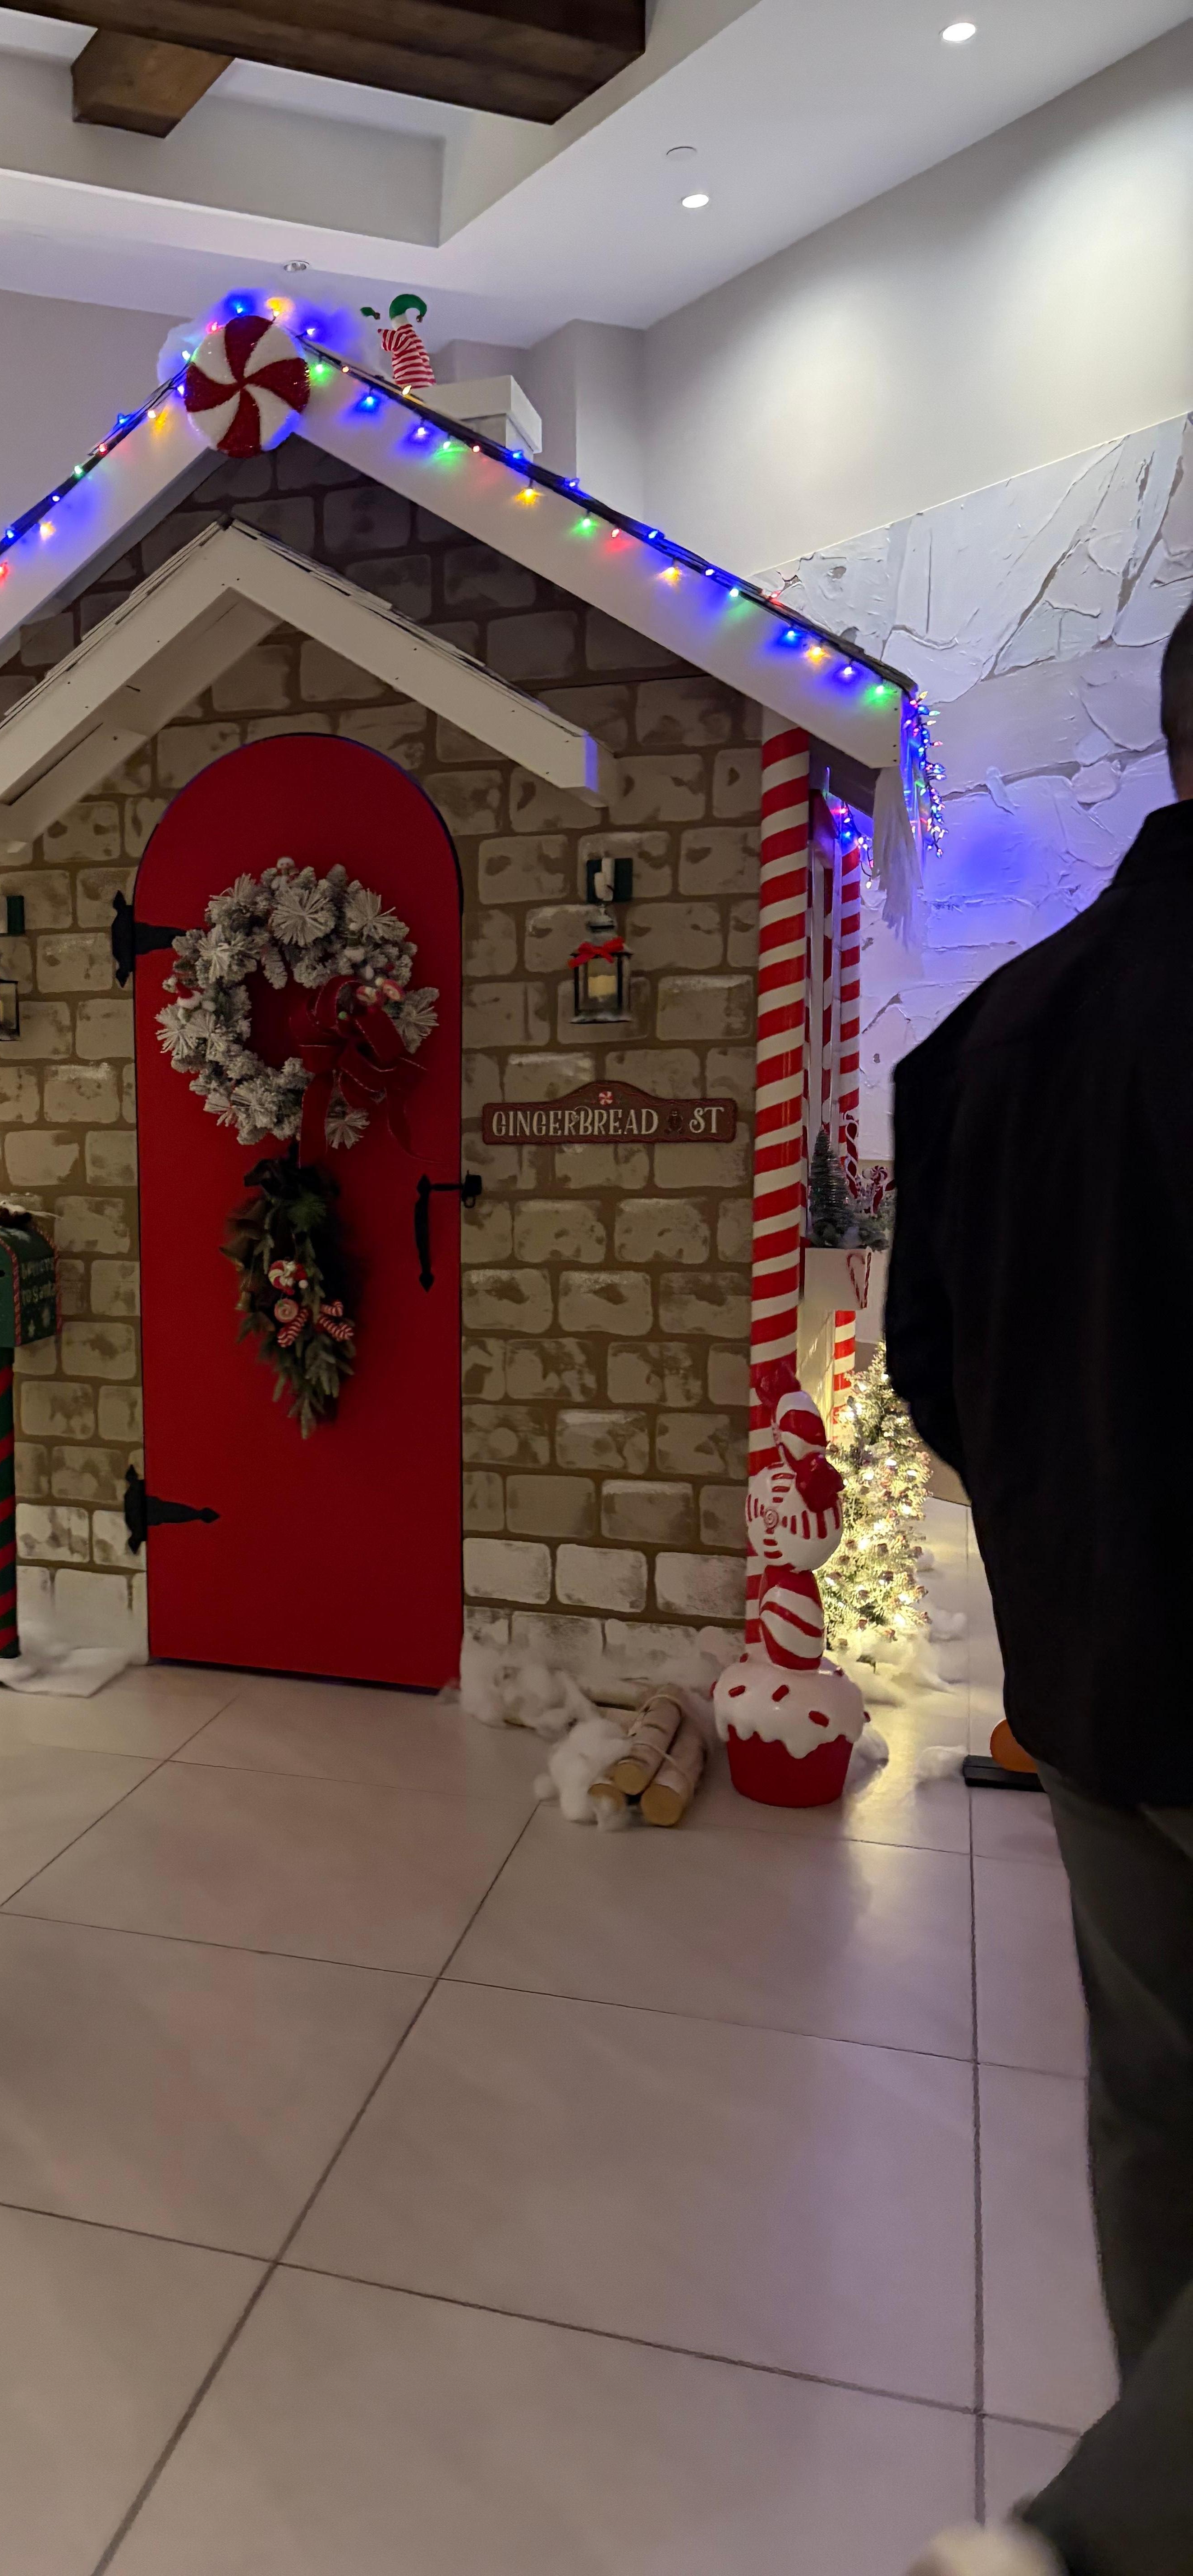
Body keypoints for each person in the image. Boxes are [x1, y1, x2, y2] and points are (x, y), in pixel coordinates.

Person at [890, 601, 1193, 2576]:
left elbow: (930, 1360)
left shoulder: (990, 1037)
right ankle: (1102, 2536)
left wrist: (1056, 1523)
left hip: (1085, 1673)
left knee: (1155, 2111)